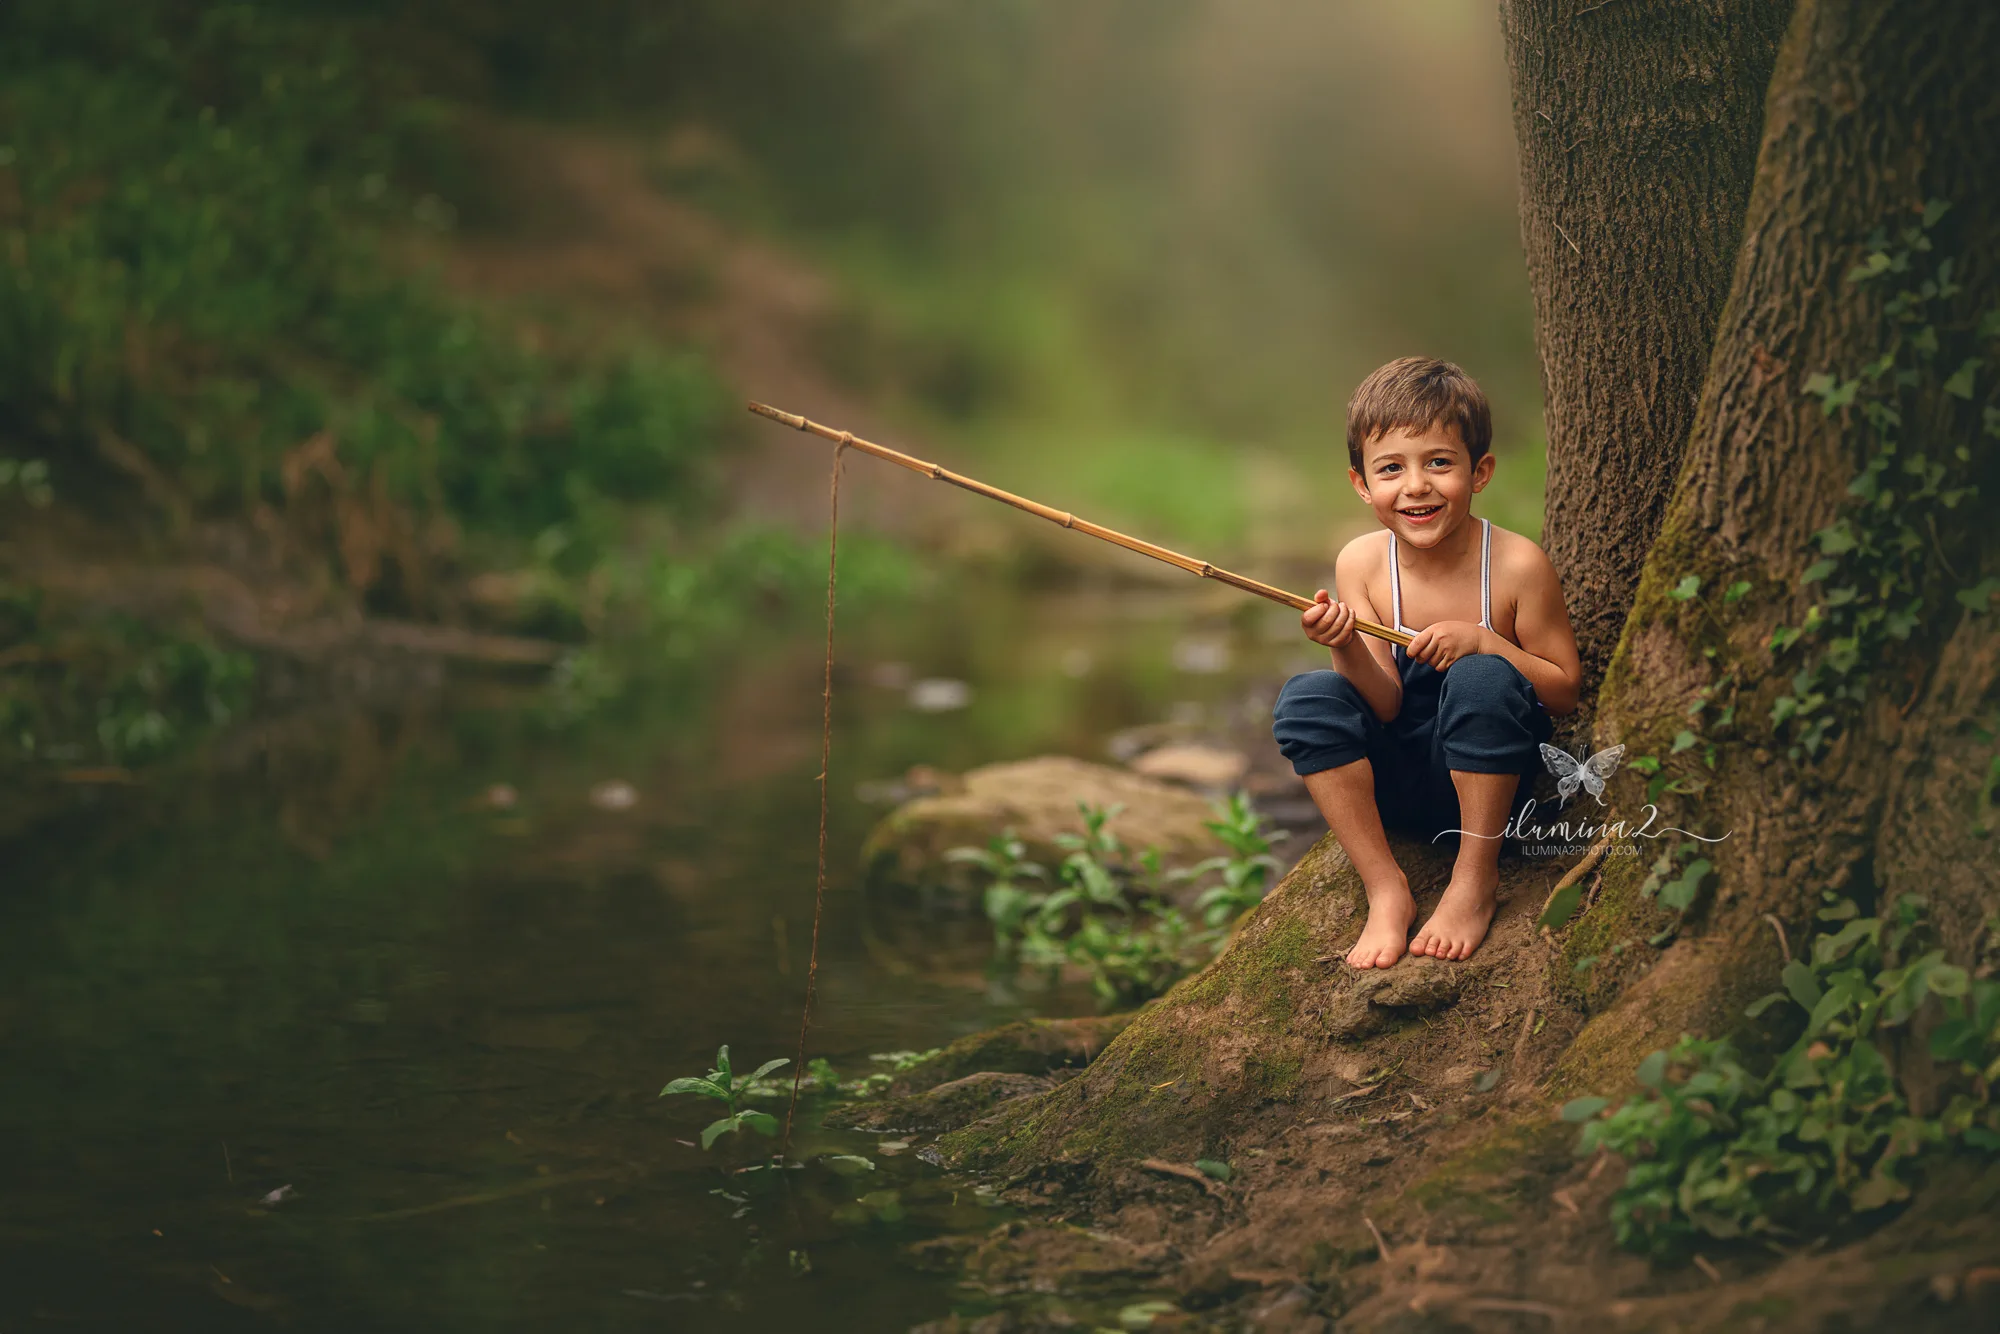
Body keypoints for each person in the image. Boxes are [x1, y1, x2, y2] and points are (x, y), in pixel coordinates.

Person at [1271, 357, 1581, 968]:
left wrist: (1488, 643)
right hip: (1399, 785)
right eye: (1391, 468)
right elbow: (1383, 701)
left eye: (1438, 462)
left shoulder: (1516, 566)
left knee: (1481, 678)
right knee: (1306, 696)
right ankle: (1385, 886)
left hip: (1492, 788)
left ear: (1480, 470)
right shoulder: (1362, 563)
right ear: (1363, 484)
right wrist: (1343, 643)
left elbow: (1565, 692)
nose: (1415, 486)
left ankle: (1473, 879)